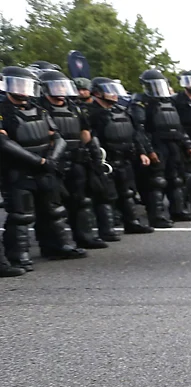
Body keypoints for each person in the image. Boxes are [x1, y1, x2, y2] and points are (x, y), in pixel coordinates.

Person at [1, 66, 88, 271]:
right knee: (21, 215)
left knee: (54, 210)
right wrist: (37, 161)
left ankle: (57, 246)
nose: (22, 90)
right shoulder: (3, 111)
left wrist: (51, 159)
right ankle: (18, 255)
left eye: (25, 85)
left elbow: (58, 137)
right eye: (18, 84)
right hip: (18, 170)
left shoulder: (40, 109)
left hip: (45, 167)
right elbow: (4, 143)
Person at [37, 69, 110, 249]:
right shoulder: (39, 109)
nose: (60, 90)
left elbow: (85, 132)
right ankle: (54, 245)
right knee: (52, 206)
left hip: (76, 160)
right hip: (53, 162)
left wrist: (92, 155)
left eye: (62, 86)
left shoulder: (74, 107)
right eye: (56, 86)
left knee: (81, 200)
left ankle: (84, 237)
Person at [85, 77, 155, 235]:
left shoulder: (122, 110)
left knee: (127, 192)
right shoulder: (90, 113)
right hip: (105, 160)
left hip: (125, 158)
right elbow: (89, 137)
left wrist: (142, 152)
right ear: (97, 93)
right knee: (105, 196)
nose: (114, 94)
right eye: (109, 91)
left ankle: (132, 223)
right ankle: (107, 230)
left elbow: (135, 134)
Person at [130, 69, 191, 224]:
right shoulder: (141, 103)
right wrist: (149, 150)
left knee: (176, 179)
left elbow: (178, 126)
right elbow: (139, 130)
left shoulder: (169, 102)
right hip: (156, 144)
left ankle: (178, 210)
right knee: (157, 181)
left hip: (174, 144)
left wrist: (188, 145)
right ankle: (157, 216)